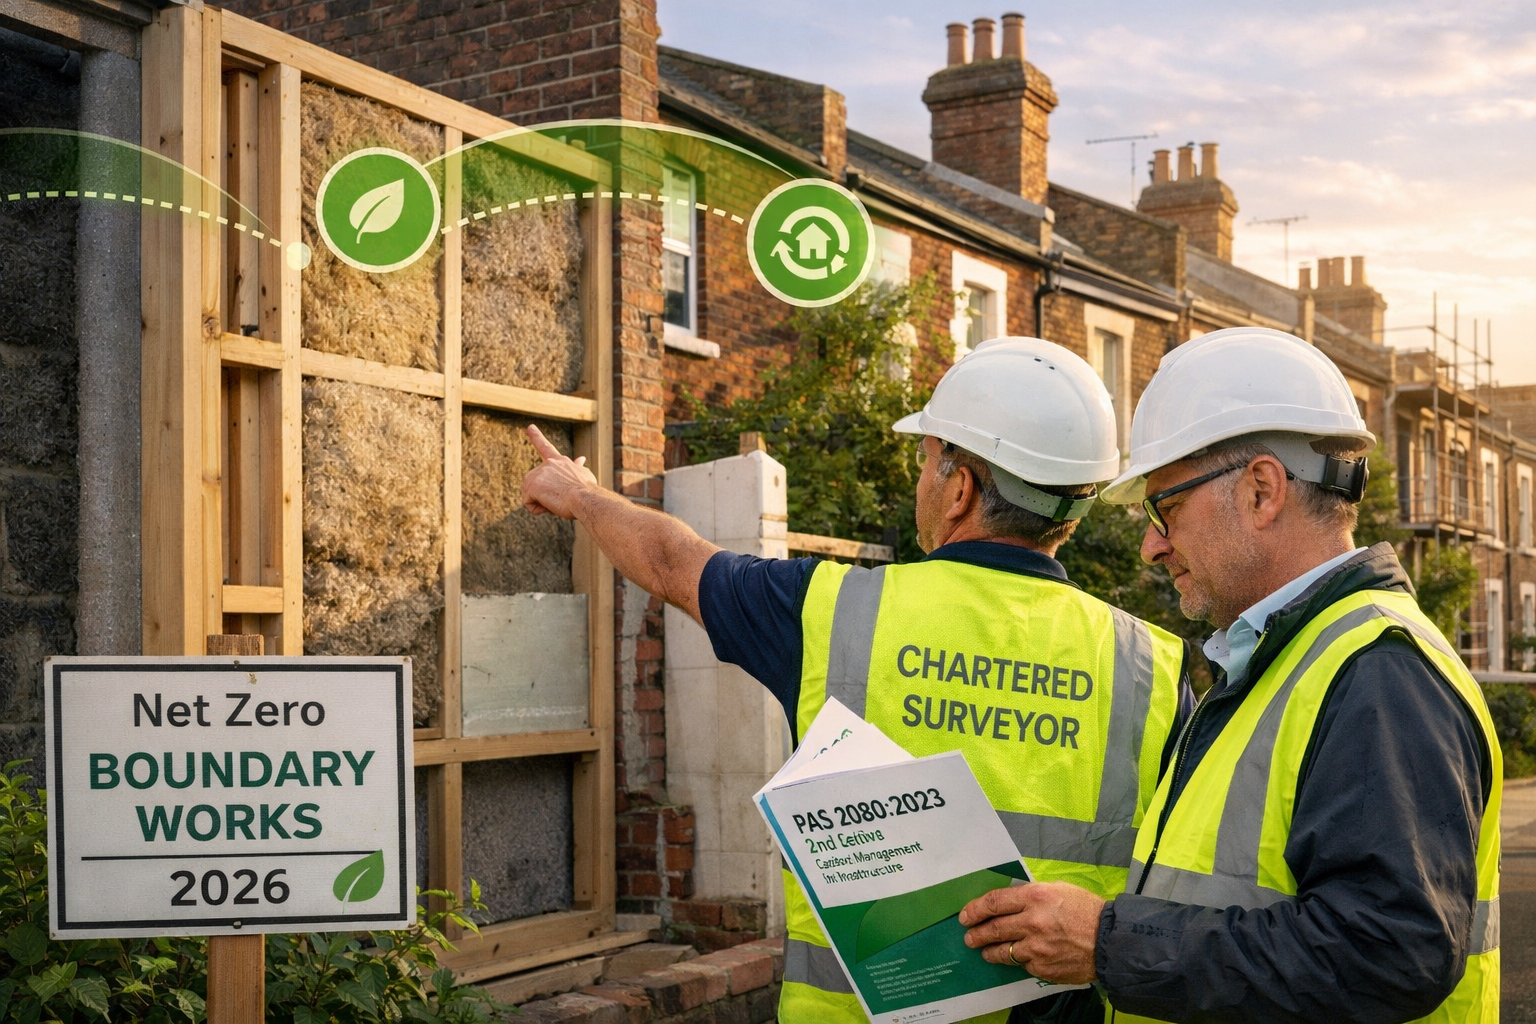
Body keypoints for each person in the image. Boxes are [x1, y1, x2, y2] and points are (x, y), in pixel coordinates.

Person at [522, 336, 1188, 1024]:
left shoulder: (830, 611)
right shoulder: (1152, 666)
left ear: (959, 489)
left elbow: (672, 561)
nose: (922, 479)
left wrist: (581, 496)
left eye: (928, 461)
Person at [959, 327, 1501, 1023]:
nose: (1153, 546)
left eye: (1166, 508)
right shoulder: (1281, 664)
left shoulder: (1379, 673)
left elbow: (1388, 951)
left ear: (1261, 490)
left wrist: (1107, 944)